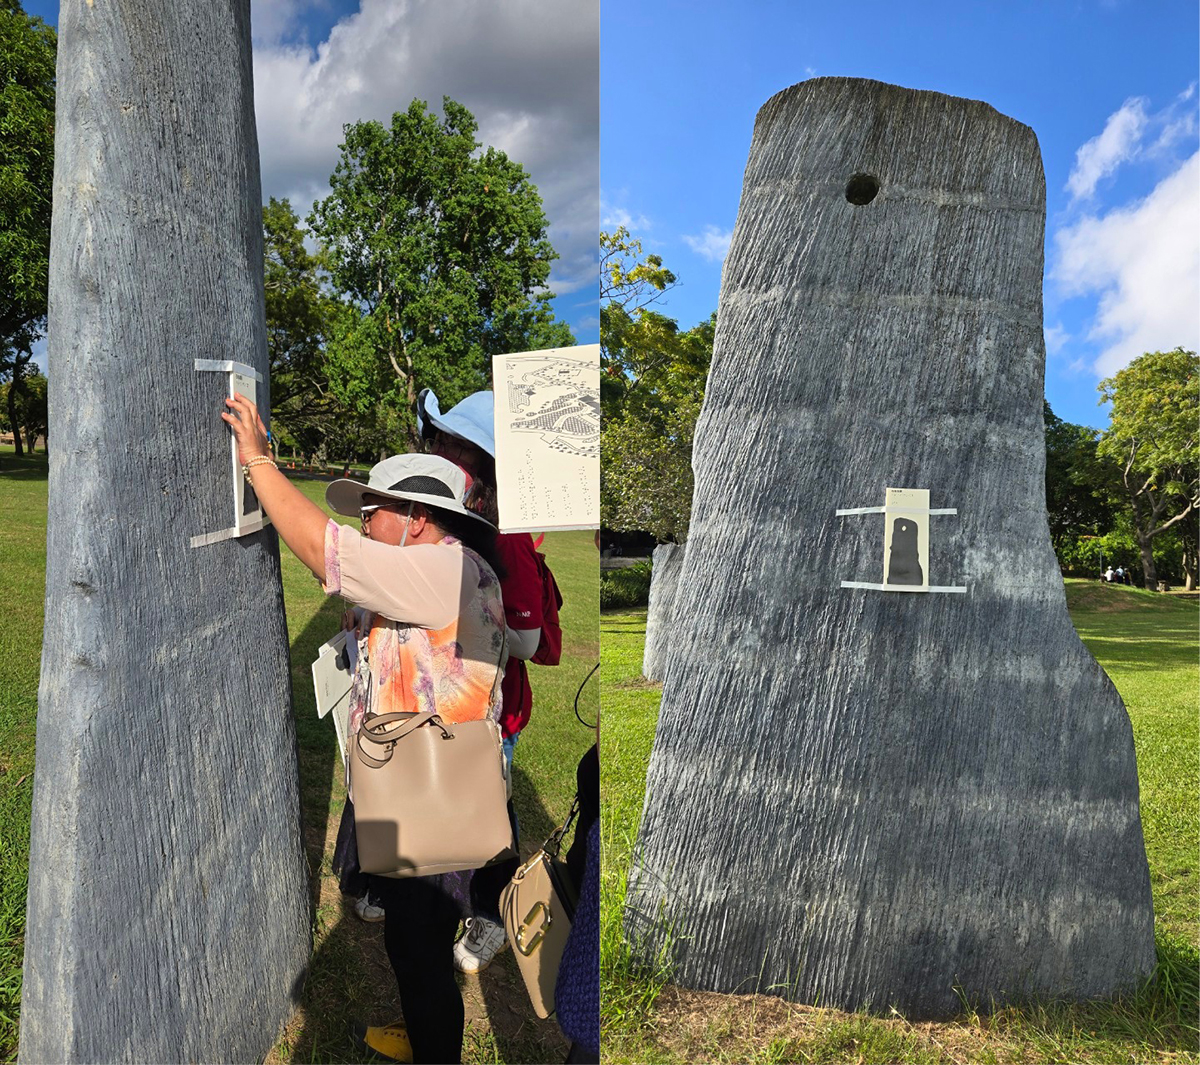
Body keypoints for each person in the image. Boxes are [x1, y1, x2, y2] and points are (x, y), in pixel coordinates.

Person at [221, 393, 505, 1065]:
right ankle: (430, 1030)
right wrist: (368, 626)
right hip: (425, 792)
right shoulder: (441, 569)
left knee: (416, 947)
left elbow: (327, 553)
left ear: (416, 520)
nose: (365, 519)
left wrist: (257, 459)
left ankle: (434, 1048)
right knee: (419, 944)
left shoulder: (445, 565)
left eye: (374, 510)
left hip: (426, 804)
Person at [416, 388, 545, 973]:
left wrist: (465, 604)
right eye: (438, 439)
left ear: (483, 465)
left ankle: (492, 917)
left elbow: (527, 642)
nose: (438, 450)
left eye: (453, 444)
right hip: (449, 699)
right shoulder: (453, 522)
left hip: (493, 712)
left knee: (489, 815)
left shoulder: (509, 539)